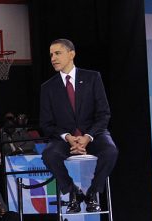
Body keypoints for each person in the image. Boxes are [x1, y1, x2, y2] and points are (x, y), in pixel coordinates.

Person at [39, 39, 118, 213]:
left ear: (71, 54)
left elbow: (104, 113)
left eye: (57, 53)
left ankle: (93, 193)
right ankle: (72, 192)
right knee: (49, 155)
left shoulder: (92, 78)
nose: (53, 58)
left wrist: (87, 137)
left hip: (93, 134)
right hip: (64, 138)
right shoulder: (48, 87)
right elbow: (46, 123)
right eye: (51, 54)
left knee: (110, 151)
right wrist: (67, 137)